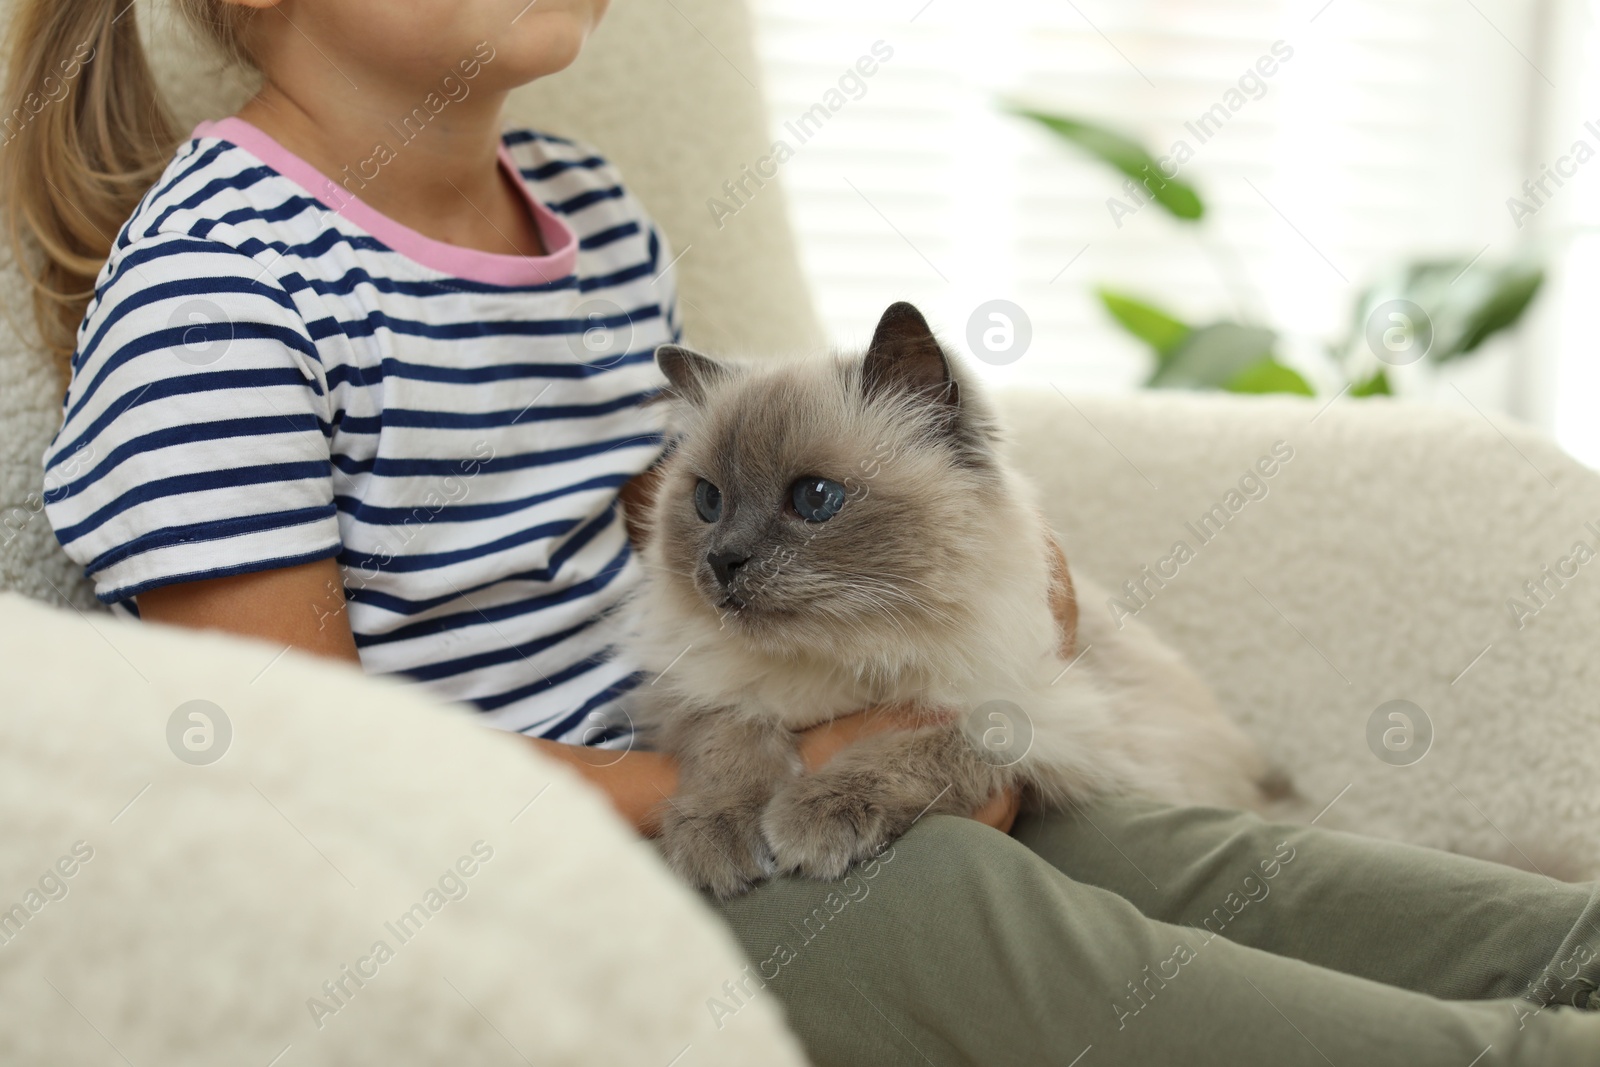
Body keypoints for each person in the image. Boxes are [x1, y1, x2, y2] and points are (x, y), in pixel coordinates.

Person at [5, 2, 1599, 1064]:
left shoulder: (591, 214)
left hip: (808, 786)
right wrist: (790, 785)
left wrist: (944, 647)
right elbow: (300, 764)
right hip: (638, 880)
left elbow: (692, 558)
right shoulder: (220, 284)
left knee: (1264, 877)